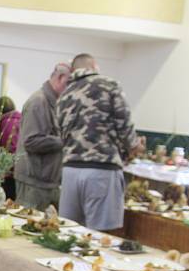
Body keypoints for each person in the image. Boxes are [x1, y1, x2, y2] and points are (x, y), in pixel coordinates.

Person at [56, 53, 146, 230]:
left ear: (73, 69)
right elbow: (124, 123)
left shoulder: (64, 94)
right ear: (94, 66)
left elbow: (60, 134)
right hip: (101, 170)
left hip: (70, 171)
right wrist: (135, 145)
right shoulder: (109, 85)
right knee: (100, 237)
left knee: (69, 232)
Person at [14, 63, 71, 210]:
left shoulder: (55, 102)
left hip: (47, 180)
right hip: (34, 181)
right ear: (60, 78)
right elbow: (31, 142)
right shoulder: (38, 102)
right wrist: (65, 141)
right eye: (70, 83)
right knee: (29, 228)